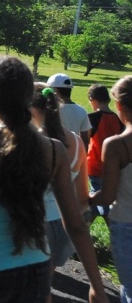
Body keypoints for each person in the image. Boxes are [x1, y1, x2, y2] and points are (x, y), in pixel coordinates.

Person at [0, 56, 108, 303]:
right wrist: (96, 285)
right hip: (36, 268)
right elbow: (76, 224)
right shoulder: (54, 149)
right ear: (27, 96)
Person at [31, 83, 89, 302]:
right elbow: (82, 199)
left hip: (33, 225)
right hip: (62, 226)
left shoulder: (29, 142)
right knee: (44, 286)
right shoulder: (75, 141)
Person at [89, 76, 132, 303]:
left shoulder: (116, 145)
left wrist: (87, 199)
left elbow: (108, 195)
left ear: (119, 105)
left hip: (125, 223)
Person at [87, 83, 124, 221]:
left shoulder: (92, 118)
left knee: (99, 200)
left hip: (95, 166)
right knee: (102, 197)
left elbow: (84, 141)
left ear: (92, 99)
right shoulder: (118, 119)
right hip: (113, 167)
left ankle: (84, 225)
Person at [48, 73, 92, 148]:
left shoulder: (51, 110)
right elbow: (85, 140)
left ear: (56, 90)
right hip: (75, 154)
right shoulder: (82, 111)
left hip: (55, 152)